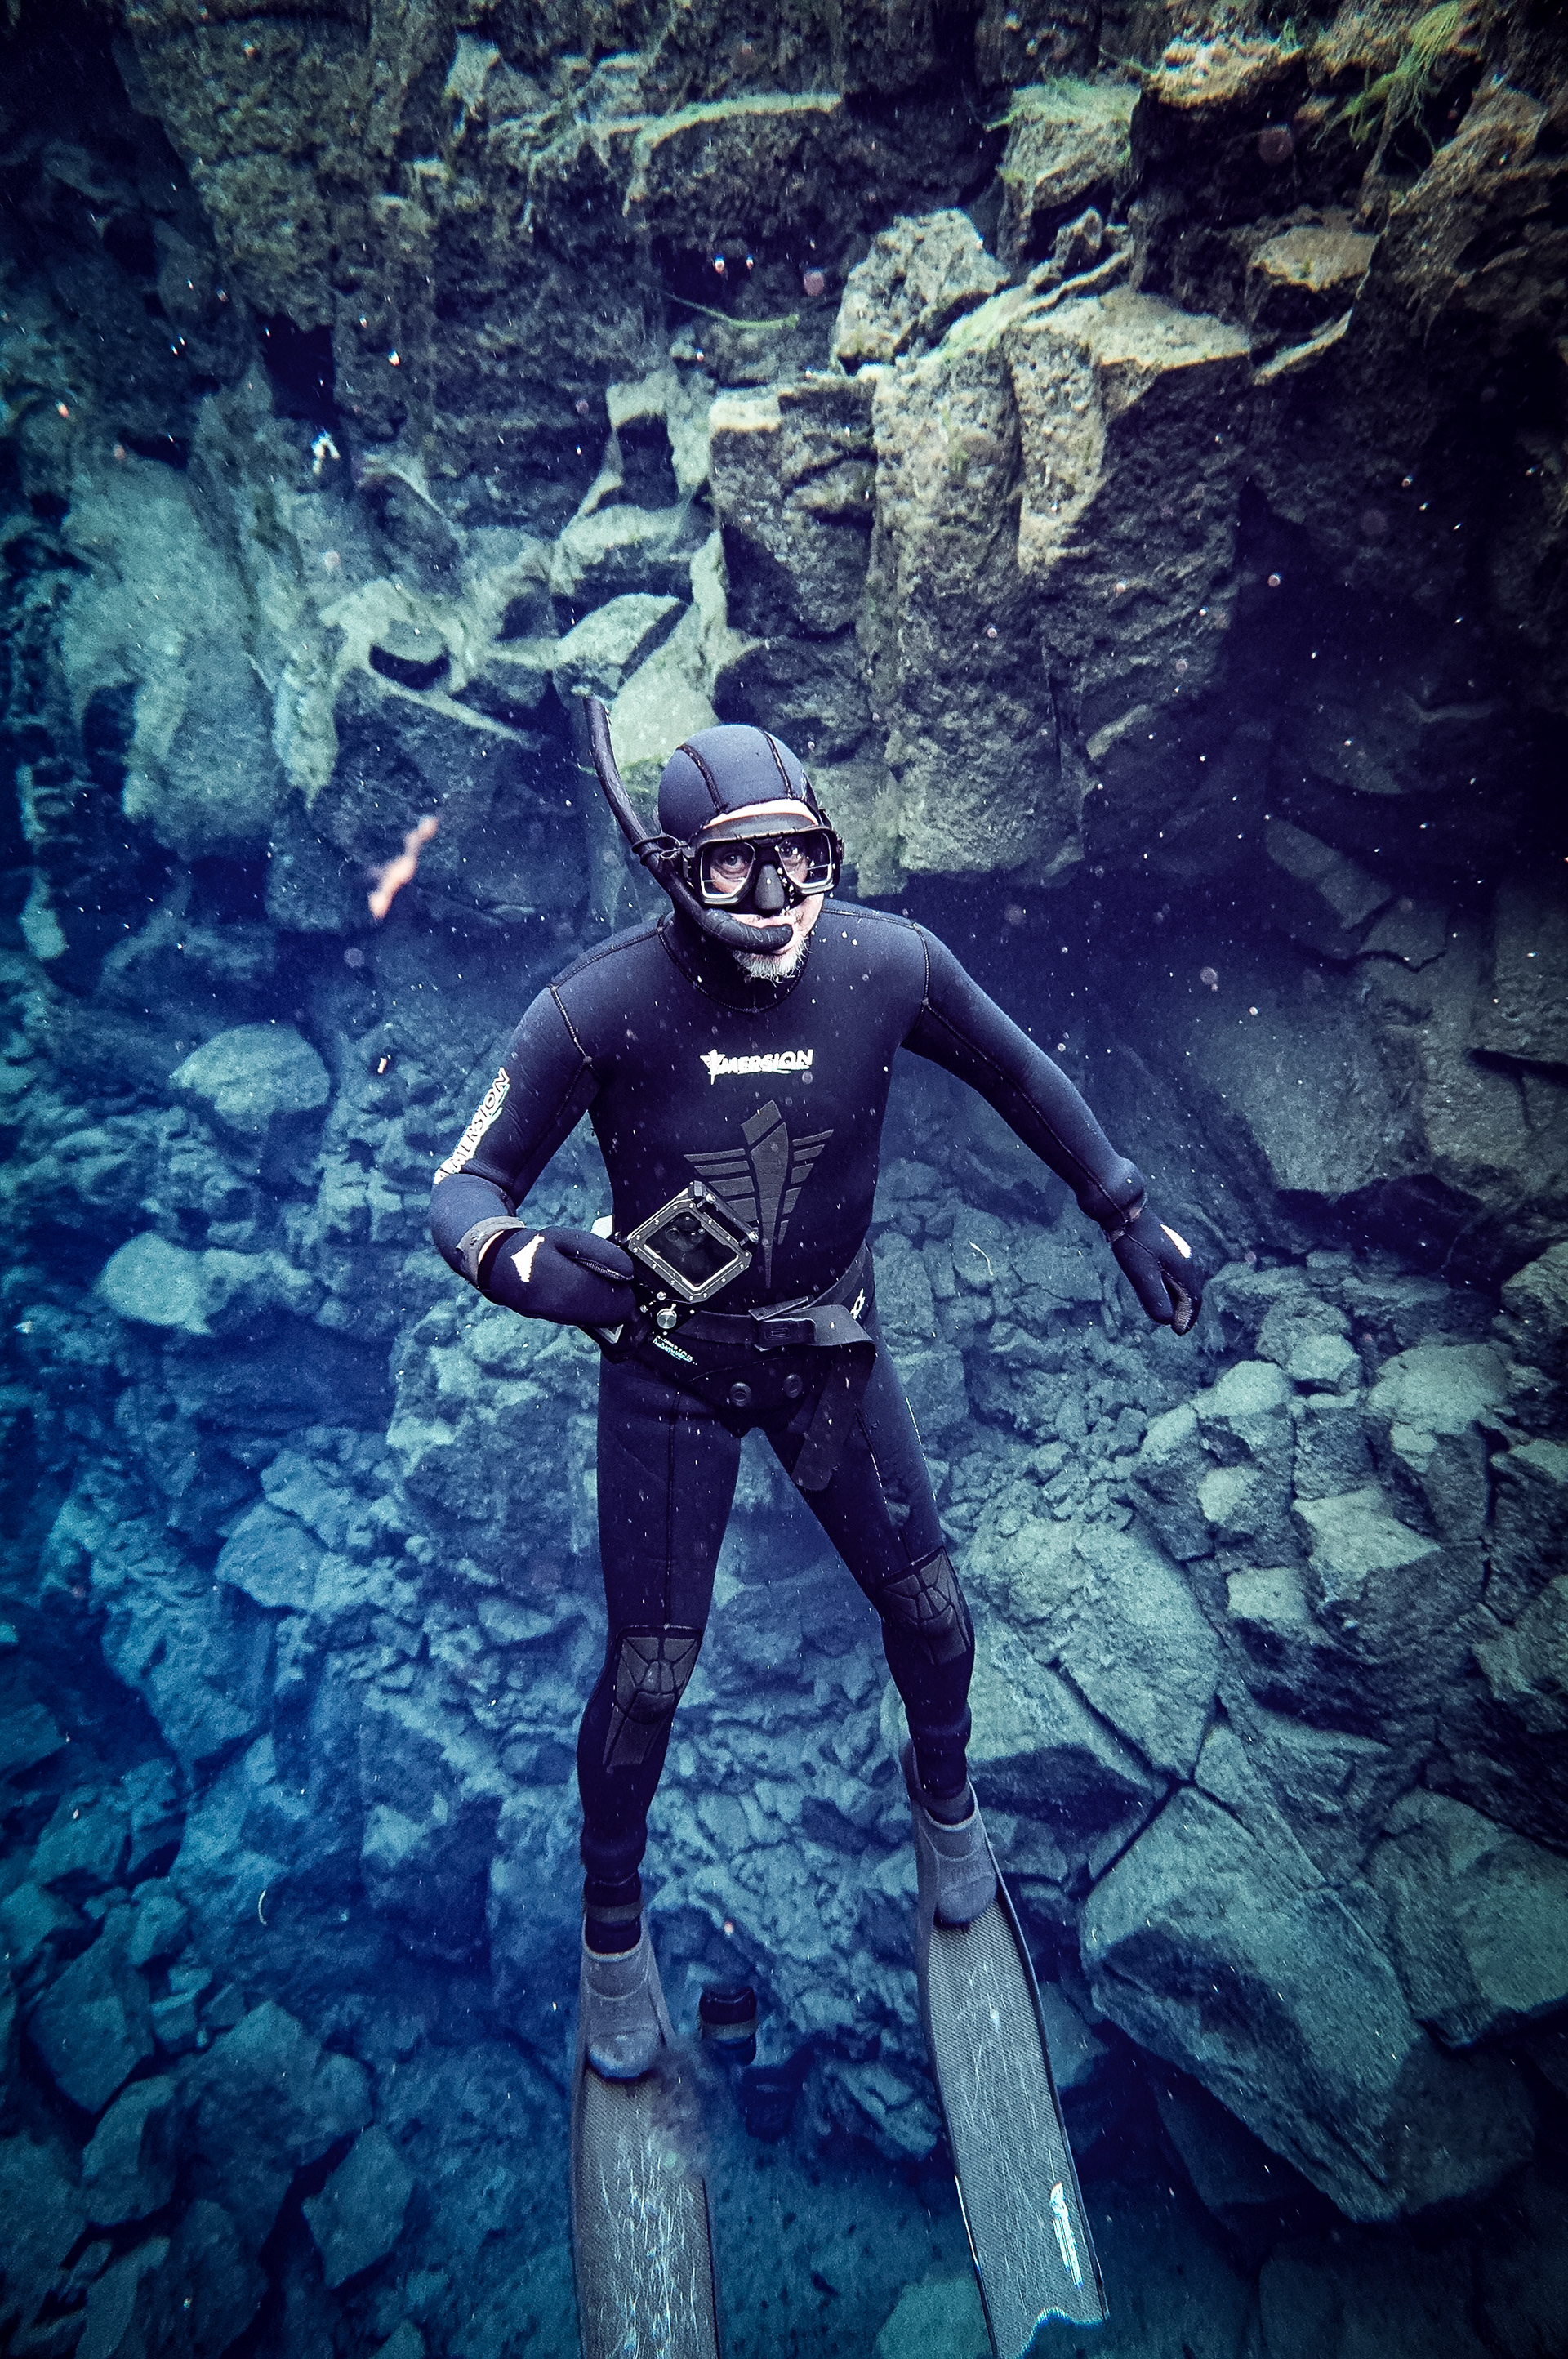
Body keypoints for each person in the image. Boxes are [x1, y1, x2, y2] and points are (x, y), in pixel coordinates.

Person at [429, 710, 1200, 2341]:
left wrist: (1126, 1206)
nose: (778, 896)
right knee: (647, 1683)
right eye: (734, 866)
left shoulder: (889, 961)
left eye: (803, 857)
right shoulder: (600, 1006)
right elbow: (462, 1184)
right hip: (665, 1377)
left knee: (937, 1620)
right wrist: (534, 1269)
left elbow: (1020, 1070)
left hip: (834, 1358)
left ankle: (946, 1821)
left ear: (829, 848)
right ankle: (616, 1943)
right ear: (669, 871)